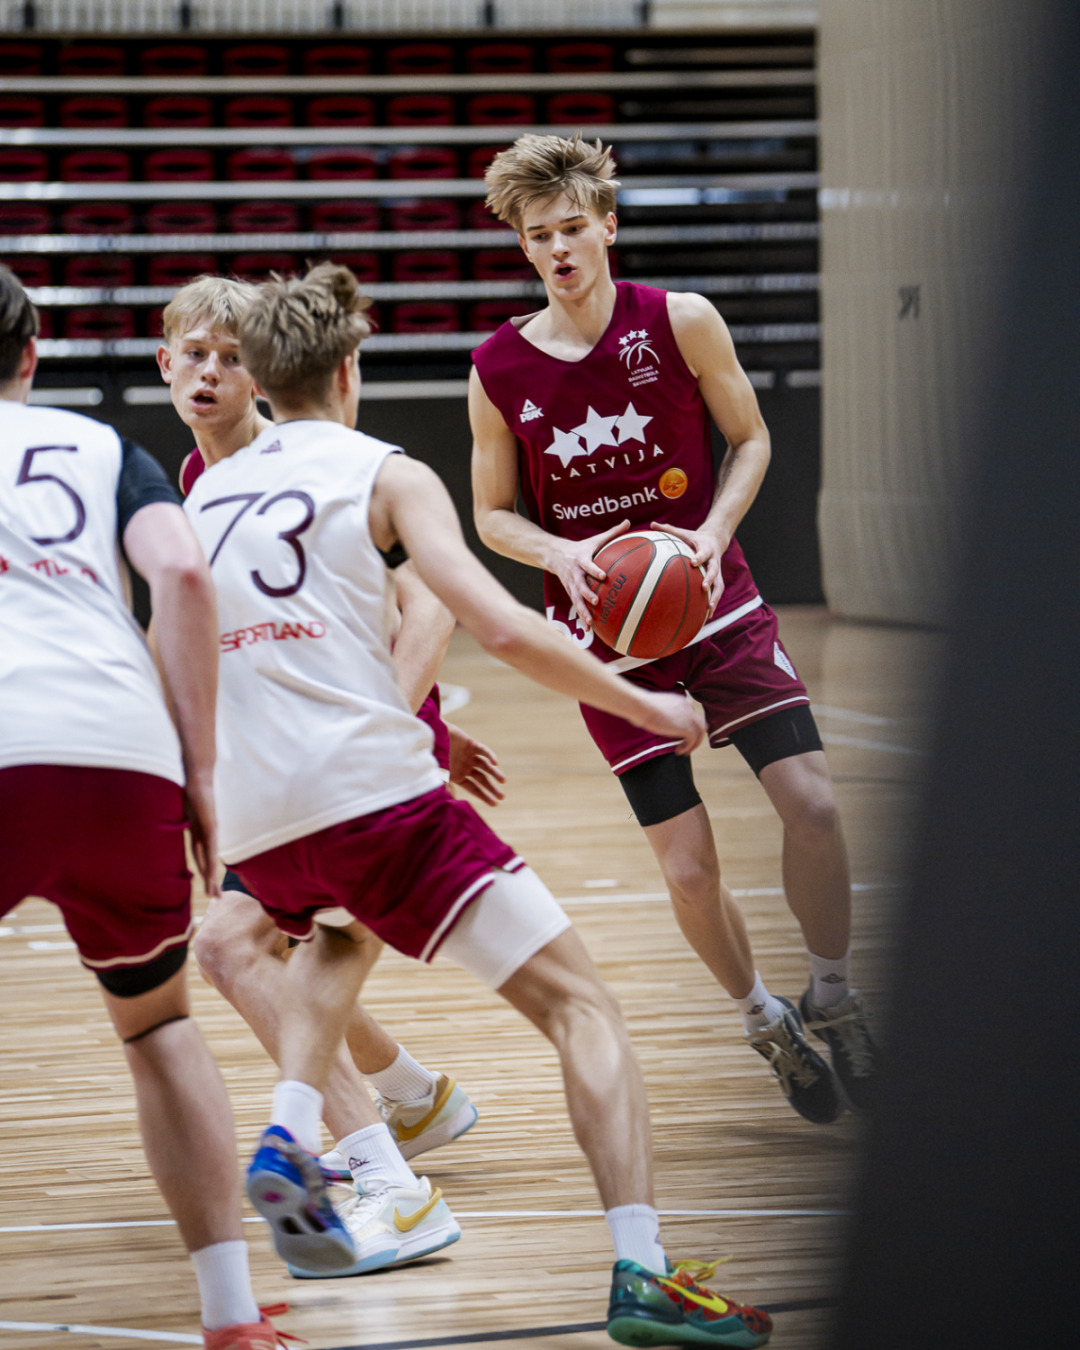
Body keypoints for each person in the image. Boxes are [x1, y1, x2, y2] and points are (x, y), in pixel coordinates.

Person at [183, 261, 773, 1347]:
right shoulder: (386, 471)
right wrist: (644, 702)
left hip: (258, 814)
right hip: (369, 791)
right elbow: (499, 626)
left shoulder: (205, 494)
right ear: (350, 371)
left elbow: (187, 651)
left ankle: (291, 1131)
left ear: (261, 378)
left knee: (342, 928)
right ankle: (644, 1274)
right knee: (584, 1009)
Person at [469, 134, 878, 1124]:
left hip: (714, 600)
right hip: (605, 642)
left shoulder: (680, 320)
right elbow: (490, 515)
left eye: (573, 228)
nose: (559, 248)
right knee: (690, 868)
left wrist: (713, 532)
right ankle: (765, 1020)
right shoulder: (497, 368)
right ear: (523, 247)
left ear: (607, 227)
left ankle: (833, 992)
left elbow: (751, 438)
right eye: (540, 235)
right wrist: (560, 554)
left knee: (816, 807)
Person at [158, 276, 498, 1274]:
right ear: (164, 363)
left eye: (231, 357)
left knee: (236, 947)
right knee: (293, 947)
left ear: (264, 374)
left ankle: (389, 1177)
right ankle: (410, 1099)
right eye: (194, 355)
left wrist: (399, 720)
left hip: (355, 754)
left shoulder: (306, 459)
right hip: (291, 754)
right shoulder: (198, 475)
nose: (210, 374)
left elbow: (431, 602)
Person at [0, 264, 277, 1350]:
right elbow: (186, 579)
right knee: (159, 1023)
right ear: (31, 355)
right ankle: (231, 1314)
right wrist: (200, 774)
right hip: (121, 754)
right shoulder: (106, 448)